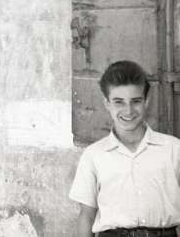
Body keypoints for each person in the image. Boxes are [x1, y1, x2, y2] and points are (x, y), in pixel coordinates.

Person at [69, 60, 180, 236]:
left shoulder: (173, 149)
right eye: (119, 102)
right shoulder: (94, 155)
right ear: (107, 103)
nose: (128, 111)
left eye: (136, 101)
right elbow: (86, 216)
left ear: (146, 101)